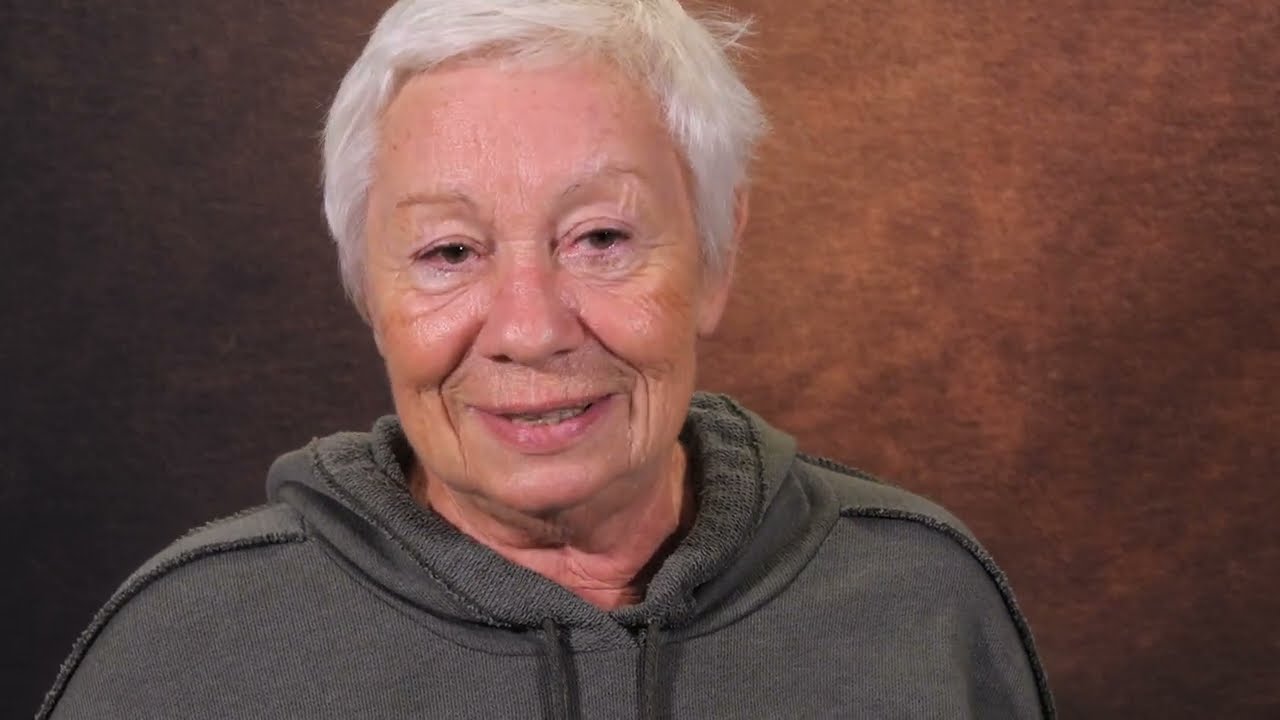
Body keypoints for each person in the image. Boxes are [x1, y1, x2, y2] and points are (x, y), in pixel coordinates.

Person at [39, 1, 1054, 717]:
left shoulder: (925, 603)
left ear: (716, 255)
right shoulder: (185, 654)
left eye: (600, 238)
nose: (529, 329)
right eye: (448, 252)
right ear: (369, 292)